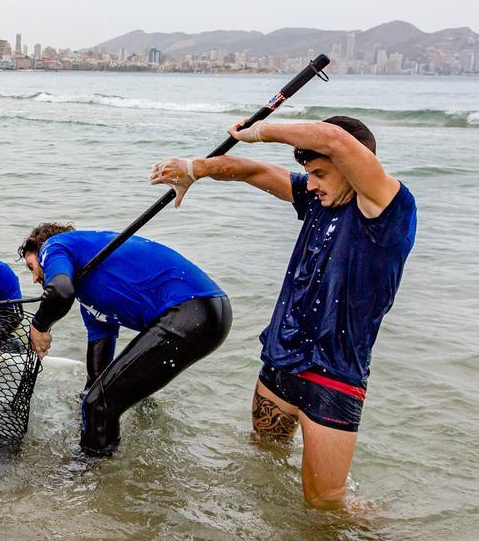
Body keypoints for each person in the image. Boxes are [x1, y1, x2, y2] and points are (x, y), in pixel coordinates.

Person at [149, 115, 417, 510]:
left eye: (320, 173)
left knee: (327, 508)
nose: (311, 183)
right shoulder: (317, 200)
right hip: (280, 360)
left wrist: (259, 132)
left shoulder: (386, 209)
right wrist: (196, 169)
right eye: (308, 174)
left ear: (353, 166)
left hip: (334, 378)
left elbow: (333, 137)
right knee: (264, 464)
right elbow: (252, 170)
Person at [19, 223, 232, 456]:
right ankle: (124, 466)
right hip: (207, 314)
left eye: (33, 266)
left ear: (43, 253)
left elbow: (60, 292)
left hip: (191, 309)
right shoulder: (92, 300)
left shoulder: (55, 245)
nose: (34, 278)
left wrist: (39, 326)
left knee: (99, 405)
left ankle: (89, 481)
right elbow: (96, 378)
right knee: (101, 398)